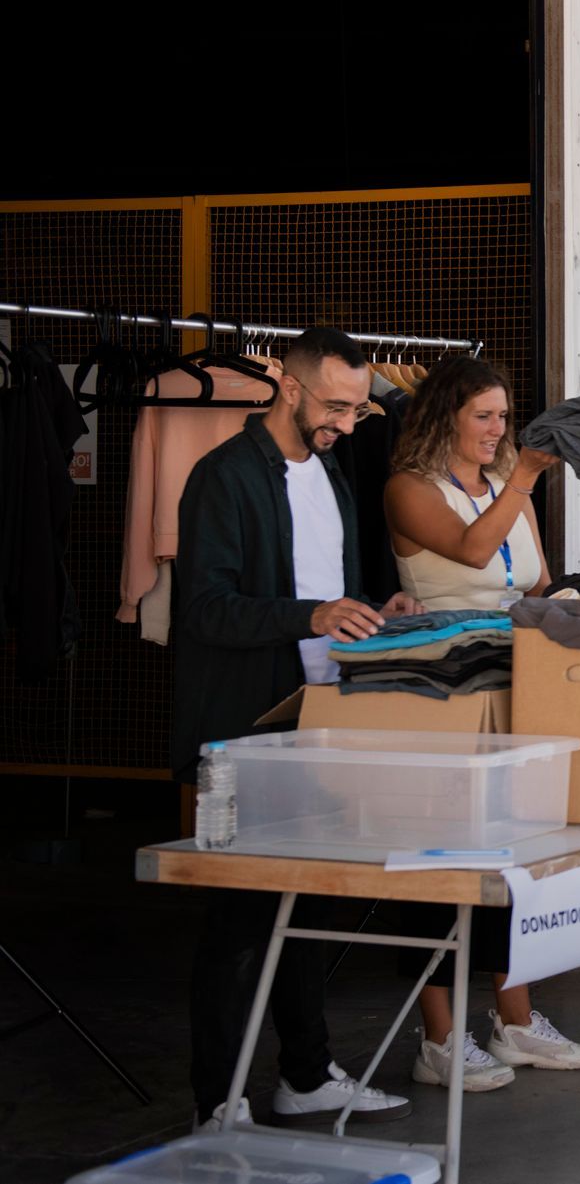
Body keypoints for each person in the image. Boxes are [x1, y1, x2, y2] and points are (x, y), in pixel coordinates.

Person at [174, 327, 418, 1130]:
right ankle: (220, 1099)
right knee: (239, 921)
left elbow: (326, 591)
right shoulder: (223, 477)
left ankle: (305, 1074)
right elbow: (205, 608)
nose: (348, 423)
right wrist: (309, 613)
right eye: (336, 406)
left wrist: (372, 612)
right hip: (241, 731)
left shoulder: (334, 475)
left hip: (317, 719)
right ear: (286, 382)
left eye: (357, 408)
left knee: (308, 904)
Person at [383, 356, 580, 1090]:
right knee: (441, 860)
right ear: (445, 414)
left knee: (518, 858)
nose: (497, 428)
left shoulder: (509, 492)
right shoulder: (411, 489)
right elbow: (474, 549)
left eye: (504, 416)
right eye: (483, 414)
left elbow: (532, 580)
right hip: (443, 693)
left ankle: (514, 1019)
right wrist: (524, 479)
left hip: (514, 686)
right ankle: (439, 1036)